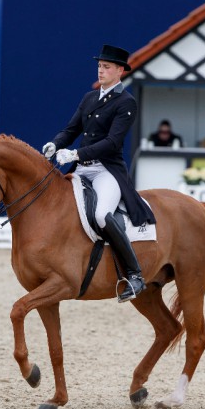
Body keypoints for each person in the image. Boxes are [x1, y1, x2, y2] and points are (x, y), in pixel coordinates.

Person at [42, 44, 156, 303]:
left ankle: (135, 274)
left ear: (119, 71)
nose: (101, 71)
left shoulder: (126, 102)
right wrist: (56, 143)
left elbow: (113, 142)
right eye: (99, 66)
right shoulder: (89, 98)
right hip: (82, 170)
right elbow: (71, 129)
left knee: (101, 215)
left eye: (106, 67)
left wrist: (76, 154)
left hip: (106, 170)